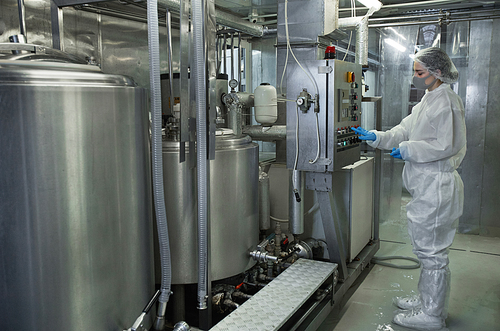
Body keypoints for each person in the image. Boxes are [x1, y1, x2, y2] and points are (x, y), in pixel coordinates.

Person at [352, 47, 467, 330]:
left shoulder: (447, 102)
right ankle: (427, 300)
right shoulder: (429, 99)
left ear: (437, 72)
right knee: (425, 249)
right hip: (425, 186)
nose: (415, 77)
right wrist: (377, 137)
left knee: (433, 254)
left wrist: (407, 150)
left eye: (419, 72)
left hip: (437, 186)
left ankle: (433, 315)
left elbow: (446, 145)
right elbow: (405, 129)